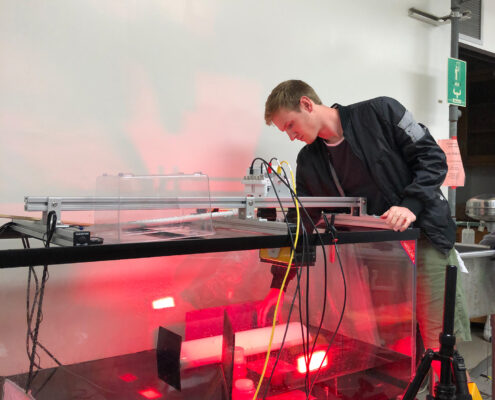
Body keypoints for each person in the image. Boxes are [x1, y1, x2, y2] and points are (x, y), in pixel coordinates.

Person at [258, 79, 471, 354]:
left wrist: (410, 205)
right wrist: (278, 287)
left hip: (425, 240)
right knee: (396, 347)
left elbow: (432, 157)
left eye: (289, 125)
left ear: (307, 104)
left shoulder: (381, 113)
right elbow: (301, 223)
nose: (290, 136)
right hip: (377, 259)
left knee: (438, 342)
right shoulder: (309, 161)